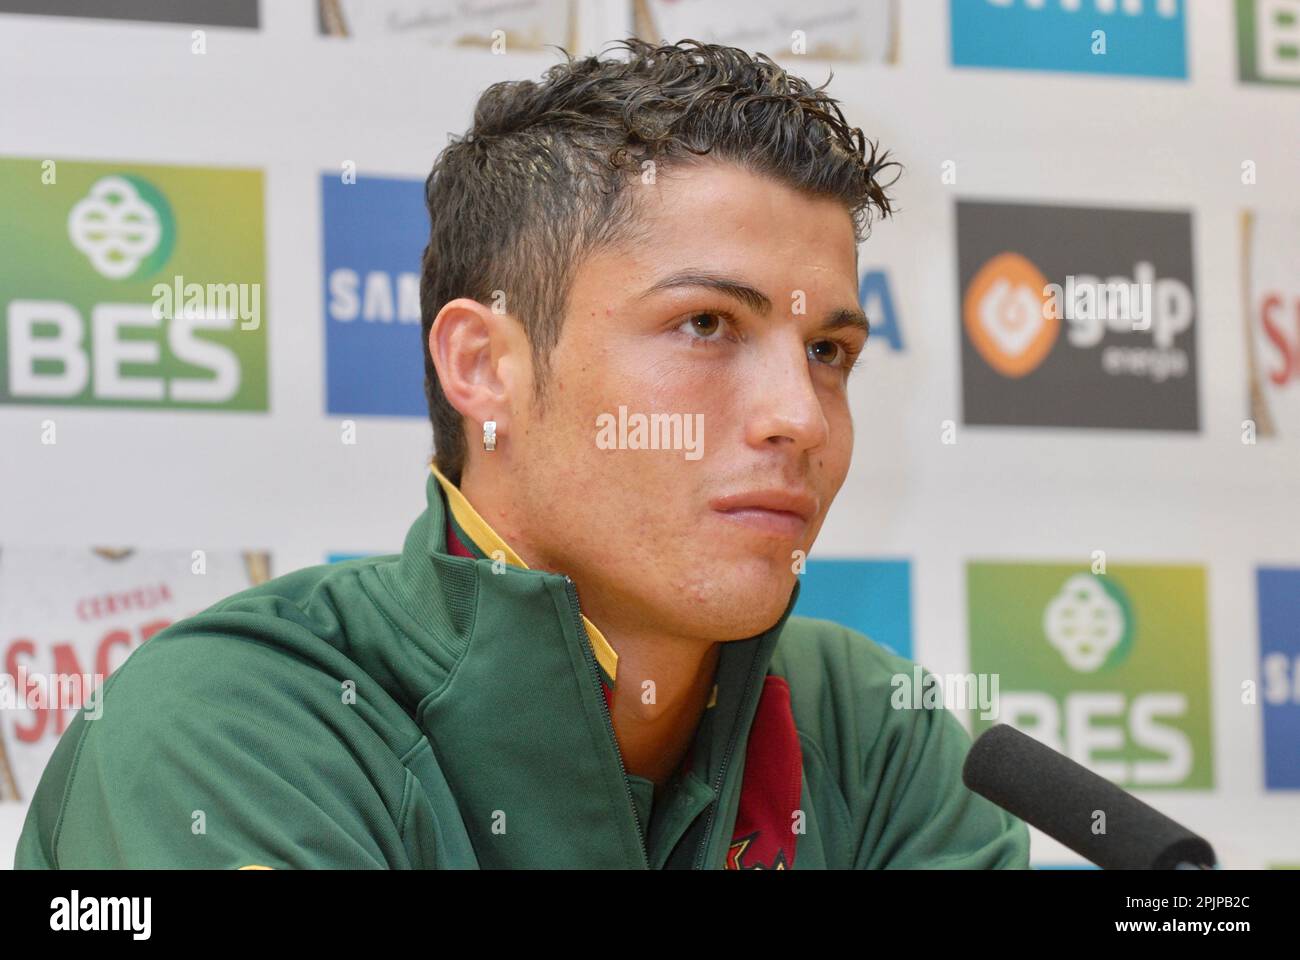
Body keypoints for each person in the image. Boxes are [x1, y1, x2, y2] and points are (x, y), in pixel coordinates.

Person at [15, 38, 1029, 869]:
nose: (799, 417)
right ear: (484, 365)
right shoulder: (233, 732)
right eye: (707, 326)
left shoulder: (872, 733)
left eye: (826, 351)